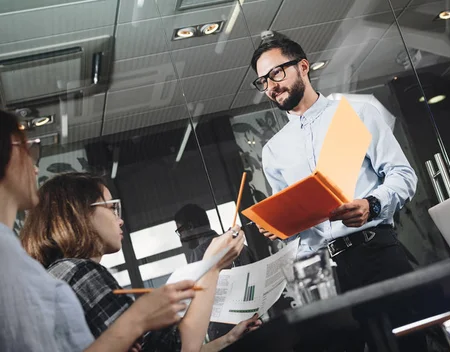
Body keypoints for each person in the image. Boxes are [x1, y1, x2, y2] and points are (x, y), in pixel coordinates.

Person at [249, 35, 424, 350]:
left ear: (303, 66)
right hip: (322, 276)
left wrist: (371, 205)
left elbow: (403, 175)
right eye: (263, 81)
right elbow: (295, 230)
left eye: (276, 73)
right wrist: (277, 228)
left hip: (377, 255)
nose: (271, 86)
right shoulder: (274, 151)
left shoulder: (357, 113)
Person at [0, 109, 200, 352]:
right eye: (24, 148)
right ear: (80, 213)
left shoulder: (22, 260)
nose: (34, 168)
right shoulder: (74, 271)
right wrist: (135, 320)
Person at [20, 172, 259, 352]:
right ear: (79, 214)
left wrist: (228, 339)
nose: (120, 220)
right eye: (112, 208)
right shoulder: (81, 274)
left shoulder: (55, 276)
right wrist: (212, 266)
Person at [174, 204, 258, 342]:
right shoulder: (241, 247)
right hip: (253, 323)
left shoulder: (199, 254)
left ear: (190, 227)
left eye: (180, 230)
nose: (181, 237)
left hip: (224, 332)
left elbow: (199, 298)